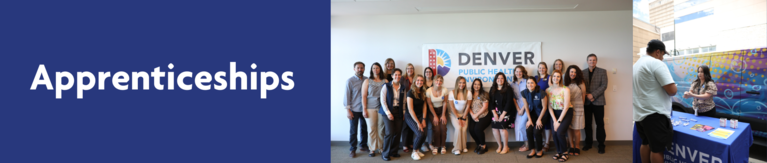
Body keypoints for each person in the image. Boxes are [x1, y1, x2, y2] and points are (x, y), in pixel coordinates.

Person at [633, 39, 677, 163]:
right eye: (663, 54)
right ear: (658, 52)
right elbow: (672, 90)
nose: (662, 58)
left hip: (640, 114)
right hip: (654, 115)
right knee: (657, 149)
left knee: (646, 143)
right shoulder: (655, 63)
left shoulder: (636, 65)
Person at [582, 53, 608, 154]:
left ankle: (601, 145)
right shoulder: (582, 72)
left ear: (596, 61)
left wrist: (593, 95)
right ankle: (588, 143)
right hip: (586, 102)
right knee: (587, 124)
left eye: (593, 60)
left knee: (600, 124)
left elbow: (604, 85)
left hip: (599, 101)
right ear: (587, 61)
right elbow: (581, 86)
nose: (592, 62)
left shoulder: (602, 71)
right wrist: (587, 95)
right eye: (590, 60)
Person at [361, 62, 387, 157]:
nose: (375, 70)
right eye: (373, 68)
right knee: (371, 129)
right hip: (370, 108)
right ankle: (372, 149)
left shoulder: (386, 81)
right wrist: (364, 109)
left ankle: (381, 147)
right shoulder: (367, 81)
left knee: (381, 129)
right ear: (371, 70)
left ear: (380, 69)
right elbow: (363, 96)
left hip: (382, 108)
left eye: (377, 68)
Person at [379, 68, 406, 161]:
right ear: (392, 76)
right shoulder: (386, 86)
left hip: (398, 111)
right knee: (389, 132)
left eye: (399, 75)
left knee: (398, 132)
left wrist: (403, 113)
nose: (397, 76)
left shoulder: (402, 87)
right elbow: (383, 101)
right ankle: (385, 153)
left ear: (401, 76)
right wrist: (388, 113)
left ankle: (393, 152)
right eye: (395, 74)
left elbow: (403, 102)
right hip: (387, 112)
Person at [344, 61, 369, 158]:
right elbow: (347, 96)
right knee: (353, 131)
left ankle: (363, 145)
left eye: (362, 68)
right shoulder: (350, 81)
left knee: (364, 129)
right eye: (358, 68)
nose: (360, 69)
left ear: (364, 69)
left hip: (365, 109)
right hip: (354, 110)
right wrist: (348, 110)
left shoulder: (367, 79)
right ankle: (353, 149)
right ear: (354, 69)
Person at [489, 72, 516, 154]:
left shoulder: (508, 89)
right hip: (496, 112)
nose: (500, 80)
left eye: (502, 78)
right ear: (495, 80)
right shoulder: (492, 89)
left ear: (504, 80)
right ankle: (499, 145)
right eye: (498, 78)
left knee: (502, 128)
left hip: (506, 112)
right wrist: (494, 113)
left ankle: (506, 146)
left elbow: (509, 103)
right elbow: (491, 103)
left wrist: (503, 115)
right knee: (494, 128)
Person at [521, 77, 549, 158]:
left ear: (535, 84)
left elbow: (544, 107)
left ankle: (539, 150)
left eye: (532, 83)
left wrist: (539, 119)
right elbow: (526, 107)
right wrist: (529, 120)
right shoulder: (524, 93)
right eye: (528, 83)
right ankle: (532, 149)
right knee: (528, 129)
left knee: (537, 131)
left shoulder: (541, 93)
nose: (530, 84)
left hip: (542, 114)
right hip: (533, 114)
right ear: (526, 84)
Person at [547, 70, 571, 162]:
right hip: (554, 113)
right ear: (551, 78)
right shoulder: (548, 90)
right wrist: (554, 120)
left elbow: (566, 107)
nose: (556, 78)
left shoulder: (565, 89)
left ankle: (565, 153)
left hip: (565, 113)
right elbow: (549, 107)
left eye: (558, 76)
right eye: (554, 76)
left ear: (560, 78)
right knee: (554, 132)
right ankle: (559, 152)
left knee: (560, 132)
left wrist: (559, 121)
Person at [405, 75, 429, 160]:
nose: (420, 82)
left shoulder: (423, 92)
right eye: (418, 80)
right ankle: (414, 152)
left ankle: (417, 150)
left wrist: (424, 119)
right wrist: (418, 123)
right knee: (420, 133)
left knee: (424, 134)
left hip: (420, 116)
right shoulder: (410, 93)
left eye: (422, 80)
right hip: (410, 116)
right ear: (415, 82)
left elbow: (424, 107)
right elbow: (411, 110)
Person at [565, 65, 586, 156]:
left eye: (574, 72)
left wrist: (582, 106)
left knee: (576, 129)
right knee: (569, 128)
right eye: (571, 72)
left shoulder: (580, 82)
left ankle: (577, 146)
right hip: (568, 107)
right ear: (568, 73)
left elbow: (583, 95)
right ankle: (571, 145)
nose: (573, 74)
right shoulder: (565, 82)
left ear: (577, 73)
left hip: (578, 107)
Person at [425, 74, 448, 155]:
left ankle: (443, 146)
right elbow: (430, 104)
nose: (439, 82)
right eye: (437, 80)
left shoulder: (444, 90)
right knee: (436, 128)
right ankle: (436, 146)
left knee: (443, 128)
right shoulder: (428, 91)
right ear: (434, 81)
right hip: (433, 111)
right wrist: (435, 116)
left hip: (442, 111)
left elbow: (445, 103)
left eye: (440, 81)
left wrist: (443, 115)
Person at [448, 76, 471, 155]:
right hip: (454, 115)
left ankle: (464, 147)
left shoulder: (468, 93)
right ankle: (456, 148)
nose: (462, 84)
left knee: (464, 129)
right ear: (457, 83)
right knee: (458, 128)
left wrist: (463, 118)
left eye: (463, 82)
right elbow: (452, 107)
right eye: (460, 82)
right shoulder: (451, 93)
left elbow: (468, 106)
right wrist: (458, 118)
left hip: (464, 114)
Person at [468, 78, 491, 154]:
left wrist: (476, 115)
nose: (476, 86)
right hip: (473, 115)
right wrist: (472, 115)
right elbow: (467, 106)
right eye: (475, 84)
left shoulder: (484, 94)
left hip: (484, 116)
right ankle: (479, 144)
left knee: (477, 129)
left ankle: (483, 146)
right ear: (473, 85)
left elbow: (485, 107)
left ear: (481, 85)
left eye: (478, 84)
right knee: (471, 130)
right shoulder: (469, 94)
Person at [535, 62, 553, 152]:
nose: (541, 69)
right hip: (537, 105)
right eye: (540, 68)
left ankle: (547, 143)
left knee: (547, 125)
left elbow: (551, 88)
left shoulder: (549, 77)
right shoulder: (536, 78)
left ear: (546, 69)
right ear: (538, 69)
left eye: (543, 68)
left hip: (547, 103)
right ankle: (542, 141)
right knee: (540, 124)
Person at [511, 66, 529, 152]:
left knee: (523, 126)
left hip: (527, 106)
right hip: (518, 107)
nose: (518, 73)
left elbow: (529, 96)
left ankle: (528, 145)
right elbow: (513, 98)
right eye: (517, 71)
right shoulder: (512, 84)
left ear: (523, 72)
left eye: (520, 71)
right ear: (514, 72)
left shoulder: (526, 82)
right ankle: (526, 143)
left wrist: (522, 109)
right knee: (518, 126)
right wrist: (518, 109)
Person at [401, 63, 416, 153]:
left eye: (411, 68)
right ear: (406, 70)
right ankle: (404, 145)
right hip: (405, 103)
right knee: (405, 125)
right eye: (408, 68)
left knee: (412, 124)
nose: (410, 70)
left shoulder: (415, 78)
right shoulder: (402, 79)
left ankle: (410, 142)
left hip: (414, 103)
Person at [421, 67, 435, 152]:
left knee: (430, 126)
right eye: (426, 72)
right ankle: (423, 144)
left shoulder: (435, 82)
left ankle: (430, 143)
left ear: (432, 73)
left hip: (432, 107)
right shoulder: (422, 83)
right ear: (424, 73)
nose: (428, 73)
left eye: (430, 72)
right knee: (423, 126)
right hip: (422, 107)